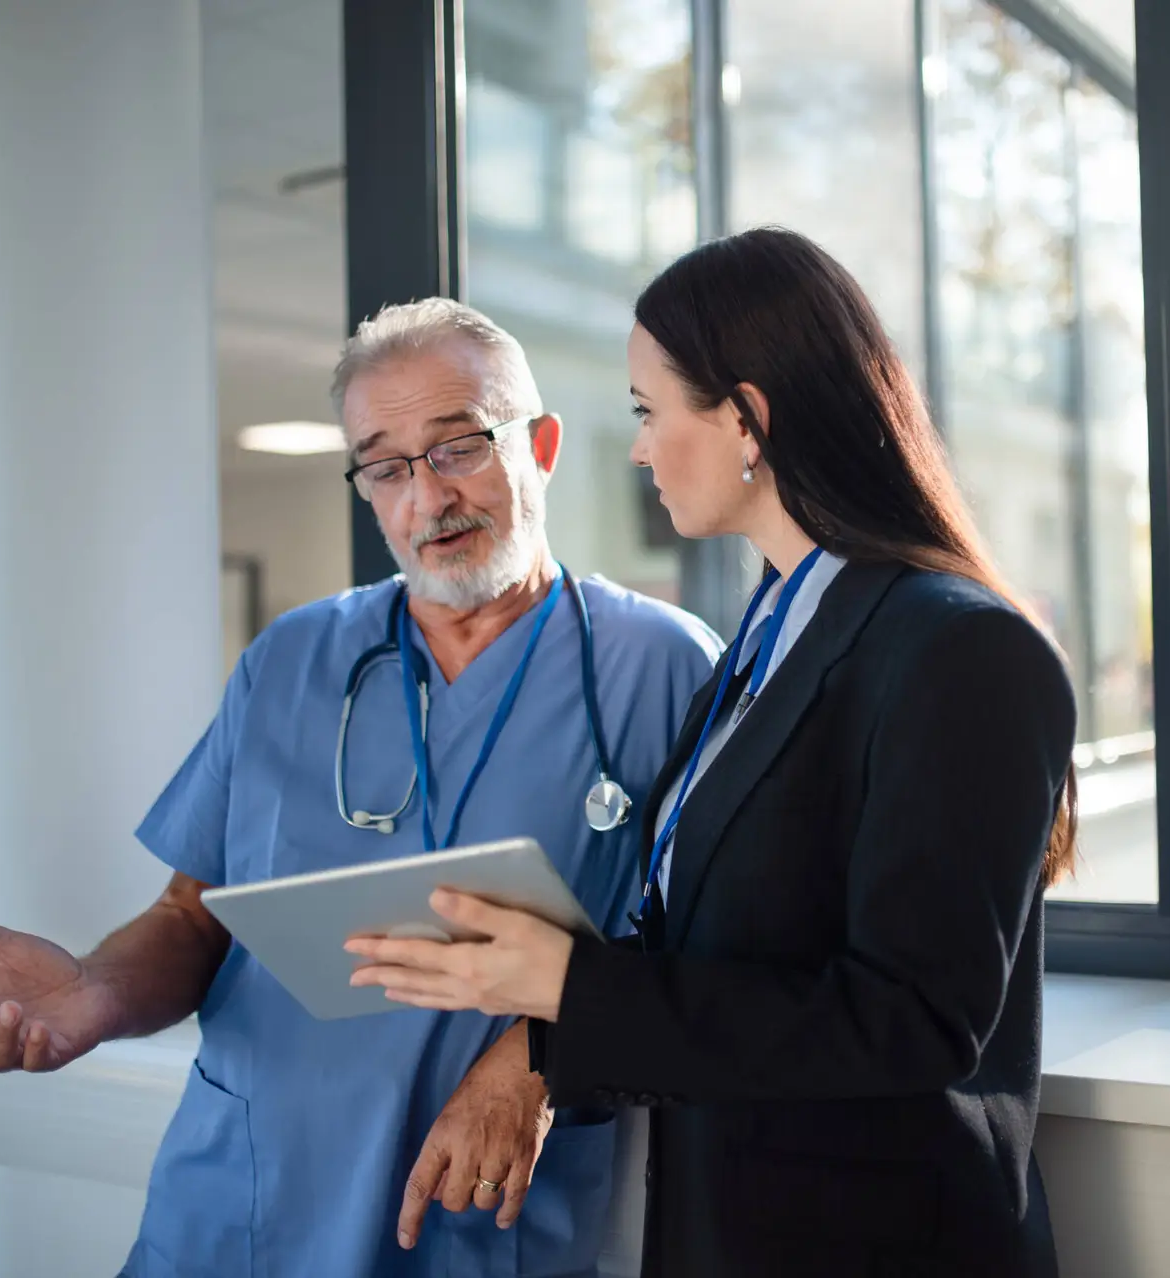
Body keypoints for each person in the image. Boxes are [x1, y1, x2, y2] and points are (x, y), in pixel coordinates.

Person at [0, 299, 720, 1278]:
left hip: (475, 1220)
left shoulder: (660, 668)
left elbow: (710, 958)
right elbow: (193, 920)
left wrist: (540, 1060)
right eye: (385, 465)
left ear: (539, 444)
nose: (427, 498)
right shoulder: (292, 659)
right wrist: (95, 992)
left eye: (458, 448)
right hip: (243, 1207)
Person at [347, 227, 1080, 1278]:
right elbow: (725, 950)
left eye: (649, 412)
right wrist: (543, 1034)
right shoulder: (769, 641)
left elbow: (912, 1021)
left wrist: (573, 991)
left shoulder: (959, 649)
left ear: (746, 418)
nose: (638, 448)